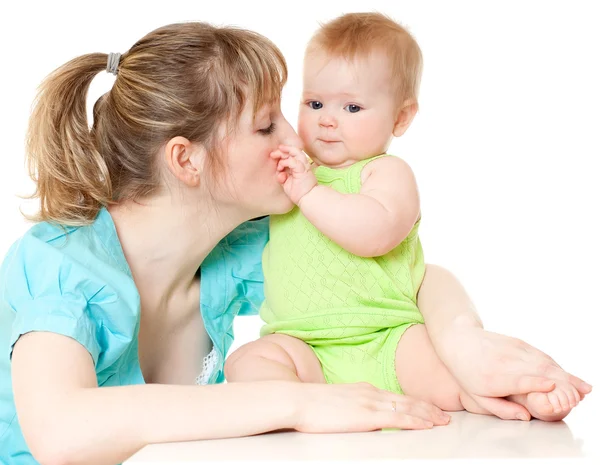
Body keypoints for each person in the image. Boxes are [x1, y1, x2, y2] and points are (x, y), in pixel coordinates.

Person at [0, 20, 590, 465]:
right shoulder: (60, 264)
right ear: (186, 160)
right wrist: (298, 402)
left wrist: (462, 343)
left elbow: (402, 272)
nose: (298, 139)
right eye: (266, 126)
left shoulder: (239, 253)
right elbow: (61, 430)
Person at [224, 12, 589, 422]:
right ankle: (306, 411)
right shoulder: (295, 174)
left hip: (387, 338)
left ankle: (523, 392)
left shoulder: (384, 173)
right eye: (314, 103)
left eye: (352, 106)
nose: (328, 118)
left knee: (457, 379)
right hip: (302, 344)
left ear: (401, 118)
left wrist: (308, 192)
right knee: (245, 362)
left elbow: (373, 233)